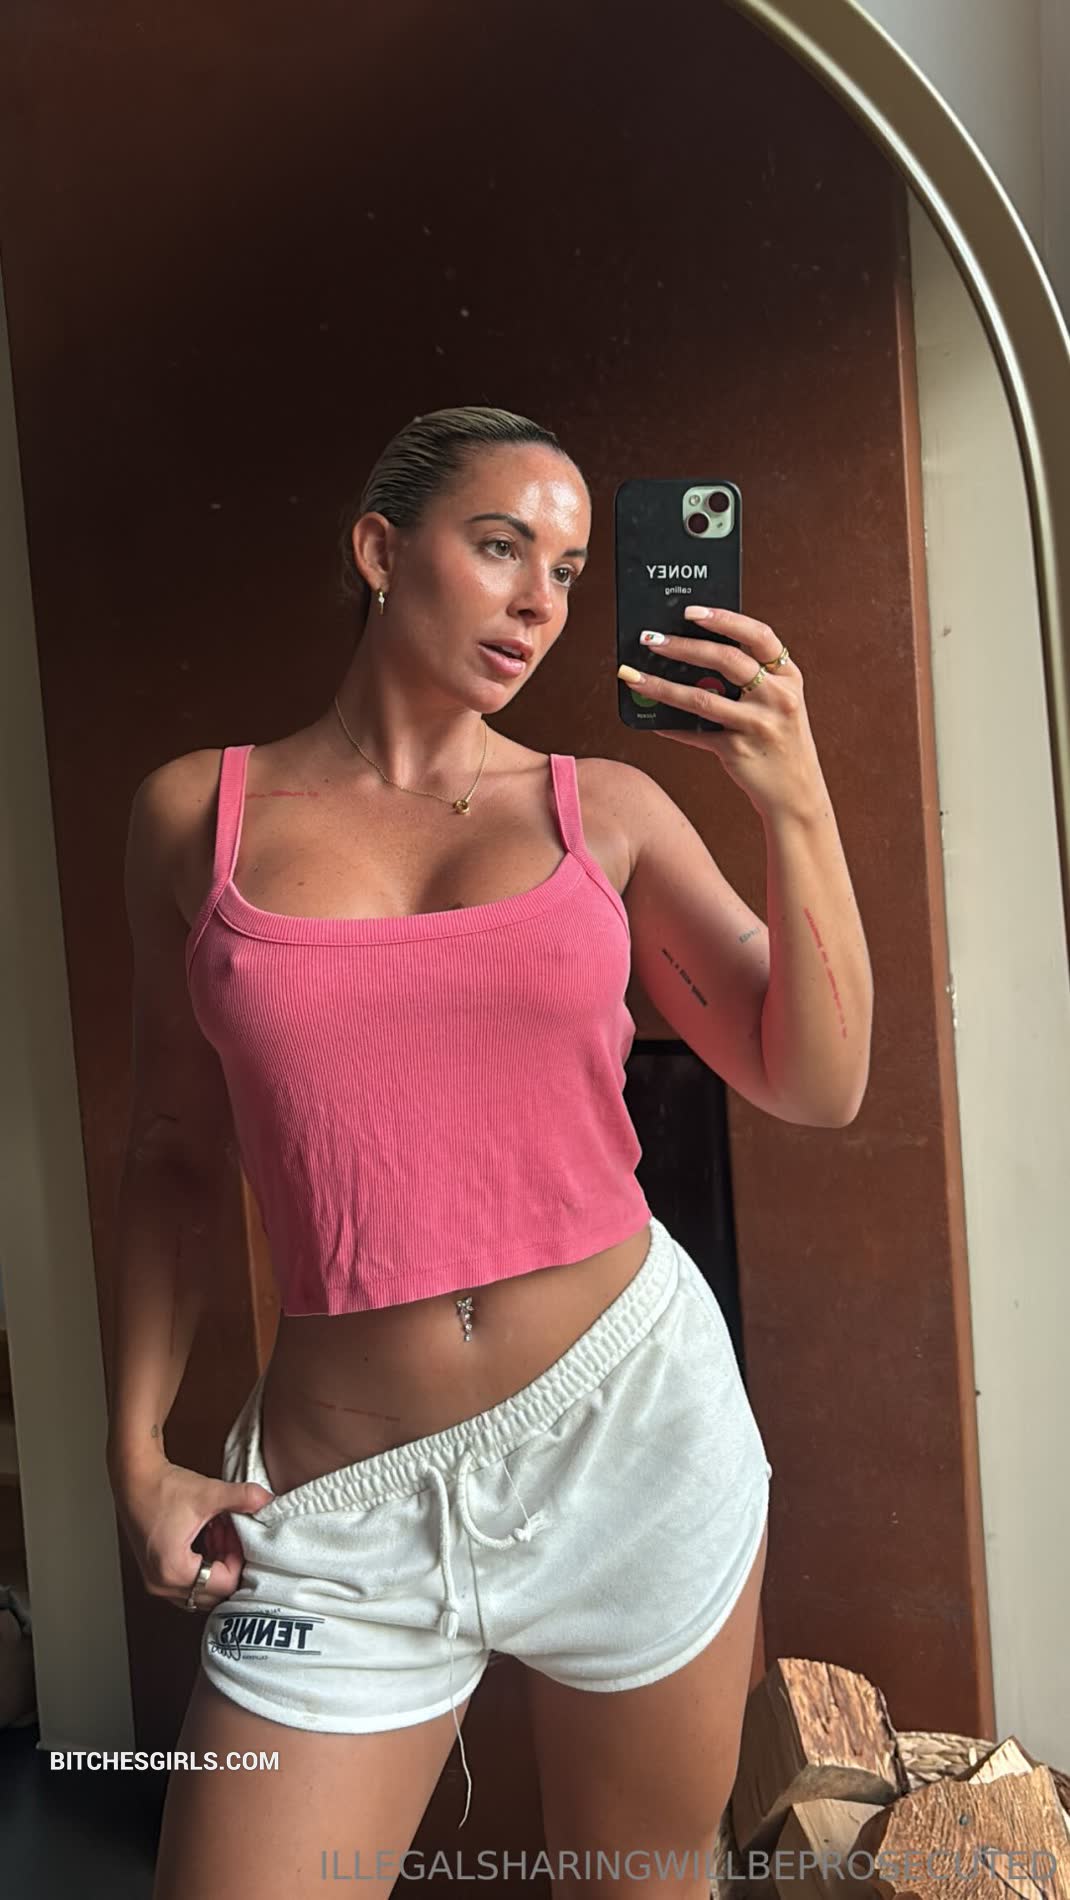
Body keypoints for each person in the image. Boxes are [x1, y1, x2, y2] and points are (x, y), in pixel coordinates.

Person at [107, 405, 872, 1900]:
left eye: (569, 571)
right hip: (345, 1492)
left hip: (630, 1429)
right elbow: (170, 1153)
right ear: (380, 550)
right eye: (501, 546)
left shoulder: (607, 812)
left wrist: (793, 794)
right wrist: (136, 1454)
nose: (539, 603)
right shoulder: (197, 816)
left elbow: (816, 1080)